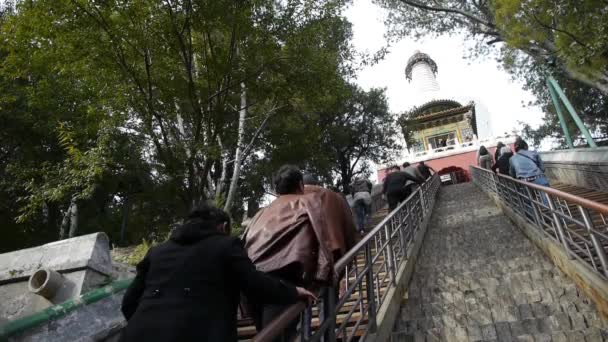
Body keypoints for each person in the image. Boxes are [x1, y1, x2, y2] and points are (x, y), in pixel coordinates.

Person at [119, 204, 316, 342]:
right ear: (223, 227)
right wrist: (293, 291)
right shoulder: (226, 245)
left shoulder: (157, 251)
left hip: (139, 334)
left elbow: (128, 302)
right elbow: (256, 285)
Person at [244, 165, 333, 341]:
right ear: (301, 184)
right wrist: (322, 279)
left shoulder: (261, 213)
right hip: (282, 280)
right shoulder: (309, 201)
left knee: (267, 334)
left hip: (251, 281)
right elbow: (323, 240)